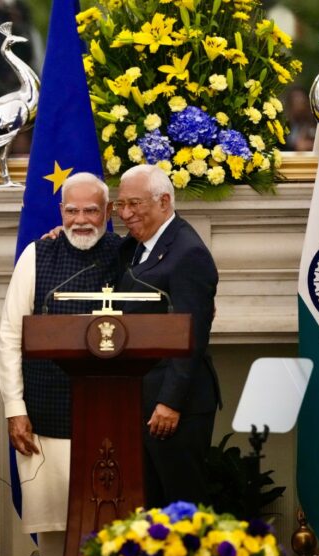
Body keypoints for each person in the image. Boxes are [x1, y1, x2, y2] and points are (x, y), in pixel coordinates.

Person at [0, 172, 121, 556]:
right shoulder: (37, 254)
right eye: (72, 210)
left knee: (110, 523)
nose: (80, 220)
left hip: (109, 416)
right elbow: (10, 337)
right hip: (43, 418)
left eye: (91, 210)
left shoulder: (127, 253)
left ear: (108, 212)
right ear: (60, 211)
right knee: (53, 530)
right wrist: (15, 409)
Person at [114, 164, 221, 508]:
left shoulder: (188, 253)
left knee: (182, 510)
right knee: (151, 510)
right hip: (140, 400)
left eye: (134, 204)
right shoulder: (137, 244)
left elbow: (191, 335)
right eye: (120, 205)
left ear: (163, 202)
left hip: (175, 408)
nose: (126, 214)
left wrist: (170, 402)